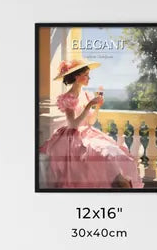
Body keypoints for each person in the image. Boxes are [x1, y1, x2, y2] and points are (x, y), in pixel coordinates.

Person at [39, 59, 141, 189]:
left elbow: (91, 121)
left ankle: (122, 184)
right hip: (74, 138)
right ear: (77, 77)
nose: (89, 78)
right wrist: (88, 106)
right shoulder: (67, 97)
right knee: (105, 157)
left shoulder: (86, 94)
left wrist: (97, 107)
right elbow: (73, 125)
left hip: (89, 133)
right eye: (86, 75)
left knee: (115, 153)